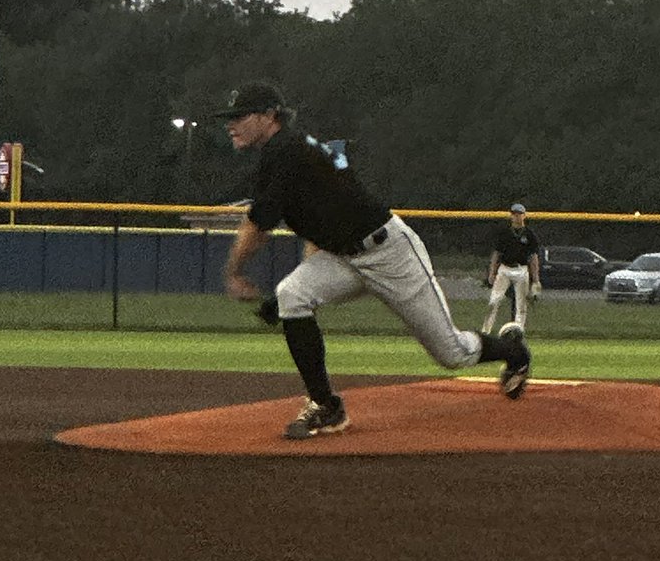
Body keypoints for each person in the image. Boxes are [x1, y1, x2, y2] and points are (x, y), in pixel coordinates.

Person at [216, 82, 532, 440]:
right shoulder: (290, 150)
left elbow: (257, 225)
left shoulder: (285, 151)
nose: (231, 124)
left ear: (269, 116)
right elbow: (322, 218)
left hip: (389, 253)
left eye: (239, 116)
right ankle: (326, 407)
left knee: (452, 353)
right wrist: (307, 279)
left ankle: (513, 350)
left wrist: (234, 272)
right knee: (292, 294)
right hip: (343, 256)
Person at [482, 203, 541, 335]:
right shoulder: (504, 233)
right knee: (494, 301)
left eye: (519, 214)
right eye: (514, 214)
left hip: (521, 269)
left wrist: (536, 279)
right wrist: (492, 273)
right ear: (511, 216)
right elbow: (496, 254)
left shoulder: (529, 235)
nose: (516, 216)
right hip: (505, 269)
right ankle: (485, 332)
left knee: (521, 305)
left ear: (524, 216)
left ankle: (518, 333)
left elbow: (533, 258)